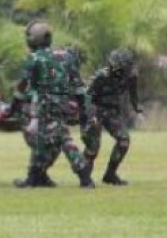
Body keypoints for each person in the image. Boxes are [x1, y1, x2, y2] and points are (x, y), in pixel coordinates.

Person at [9, 20, 94, 188]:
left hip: (45, 105)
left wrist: (14, 106)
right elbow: (78, 85)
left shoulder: (34, 59)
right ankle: (35, 177)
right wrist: (83, 107)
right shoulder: (66, 56)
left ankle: (83, 173)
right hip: (63, 104)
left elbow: (23, 85)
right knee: (44, 140)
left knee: (61, 139)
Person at [82, 47, 142, 186]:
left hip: (111, 112)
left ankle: (110, 174)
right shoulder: (101, 76)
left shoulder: (131, 76)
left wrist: (136, 106)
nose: (118, 72)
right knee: (93, 147)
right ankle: (85, 178)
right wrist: (90, 116)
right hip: (95, 110)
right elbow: (87, 96)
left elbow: (133, 92)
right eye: (116, 68)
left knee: (124, 141)